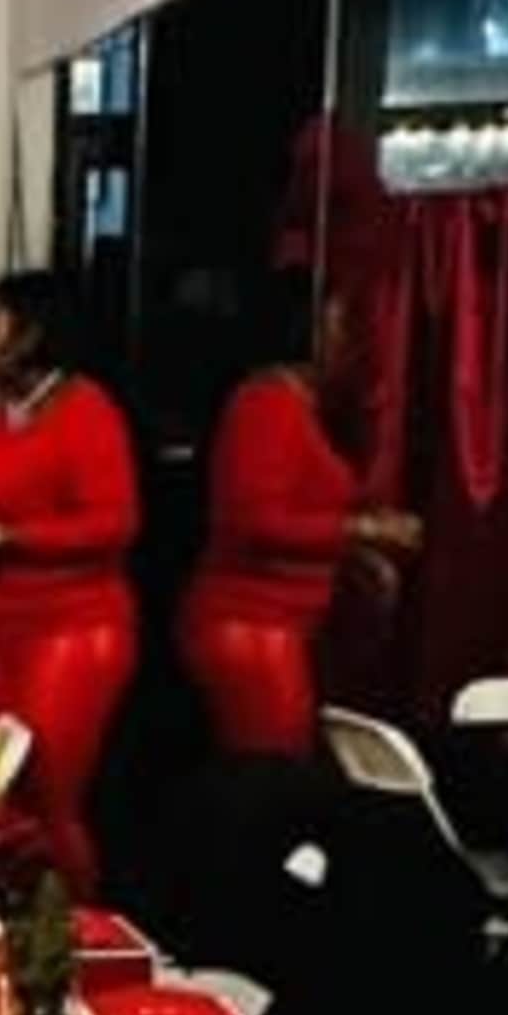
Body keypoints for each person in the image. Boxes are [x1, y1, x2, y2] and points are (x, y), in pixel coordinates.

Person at [0, 267, 141, 889]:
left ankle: (80, 945)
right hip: (8, 630)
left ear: (32, 335)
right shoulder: (8, 415)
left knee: (49, 799)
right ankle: (10, 946)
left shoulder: (86, 410)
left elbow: (114, 524)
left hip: (74, 632)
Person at [179, 272, 420, 766]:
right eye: (337, 324)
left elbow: (301, 512)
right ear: (302, 327)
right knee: (274, 774)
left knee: (279, 772)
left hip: (277, 625)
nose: (346, 339)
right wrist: (365, 530)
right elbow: (256, 521)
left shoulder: (297, 403)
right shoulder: (265, 404)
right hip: (250, 624)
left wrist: (357, 553)